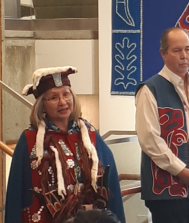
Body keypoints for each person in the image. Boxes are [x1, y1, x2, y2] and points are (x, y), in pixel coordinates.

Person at [5, 66, 125, 223]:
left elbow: (111, 185)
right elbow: (15, 192)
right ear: (42, 105)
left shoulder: (89, 134)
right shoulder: (30, 139)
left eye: (66, 94)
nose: (62, 102)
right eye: (53, 98)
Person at [135, 27, 189, 223]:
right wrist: (183, 172)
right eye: (177, 51)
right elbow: (149, 140)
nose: (184, 56)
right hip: (168, 189)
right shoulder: (150, 90)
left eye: (188, 49)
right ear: (163, 53)